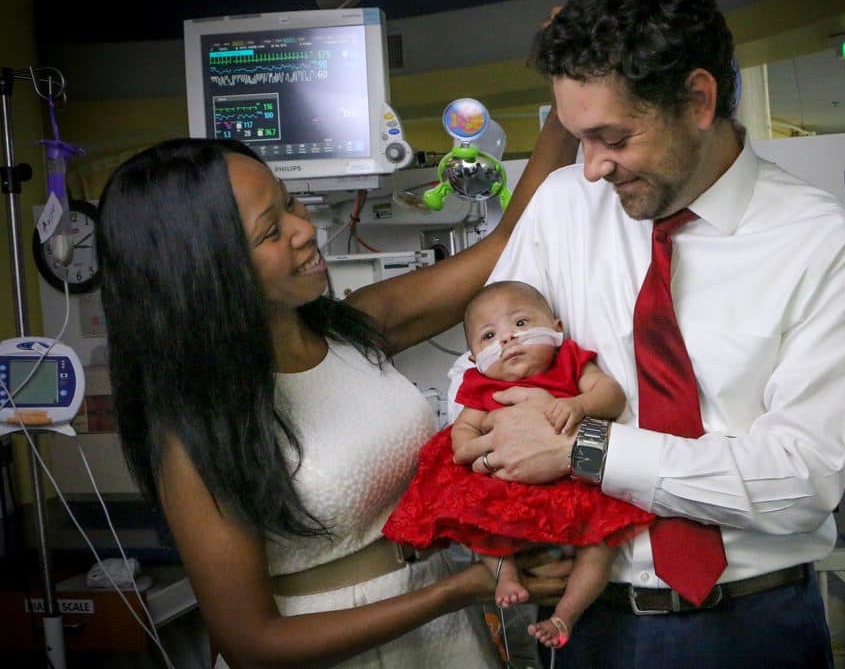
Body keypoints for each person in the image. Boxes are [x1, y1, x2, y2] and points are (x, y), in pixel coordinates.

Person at [451, 0, 845, 669]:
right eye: (575, 137)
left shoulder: (824, 244)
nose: (591, 167)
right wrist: (486, 432)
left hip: (755, 622)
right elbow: (477, 360)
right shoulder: (563, 207)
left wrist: (585, 448)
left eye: (612, 137)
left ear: (698, 100)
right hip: (591, 619)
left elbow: (801, 480)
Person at [94, 108, 578, 669]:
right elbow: (252, 642)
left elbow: (506, 244)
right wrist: (456, 589)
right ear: (206, 273)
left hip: (445, 627)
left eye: (289, 202)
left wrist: (563, 115)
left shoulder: (354, 330)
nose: (305, 229)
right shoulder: (199, 431)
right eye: (271, 231)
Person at [382, 280, 654, 649]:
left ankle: (565, 615)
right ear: (475, 356)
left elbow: (612, 396)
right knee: (480, 523)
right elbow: (464, 430)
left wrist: (579, 405)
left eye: (521, 324)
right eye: (489, 335)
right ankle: (504, 574)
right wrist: (472, 450)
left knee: (600, 544)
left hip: (575, 483)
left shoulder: (570, 361)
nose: (507, 339)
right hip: (507, 486)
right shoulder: (479, 385)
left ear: (557, 329)